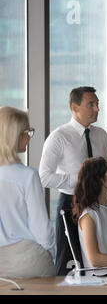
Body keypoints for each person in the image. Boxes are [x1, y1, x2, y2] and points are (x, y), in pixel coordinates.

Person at [39, 86, 107, 275]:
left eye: (97, 104)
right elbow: (44, 176)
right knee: (69, 263)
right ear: (74, 107)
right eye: (91, 104)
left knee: (98, 262)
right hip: (71, 205)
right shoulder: (59, 137)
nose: (97, 109)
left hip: (98, 205)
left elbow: (106, 169)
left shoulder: (101, 135)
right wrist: (80, 181)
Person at [0, 106, 55, 278]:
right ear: (15, 135)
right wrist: (50, 254)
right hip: (28, 261)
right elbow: (43, 232)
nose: (29, 137)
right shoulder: (27, 176)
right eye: (28, 131)